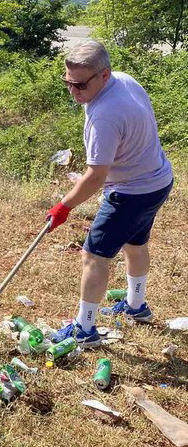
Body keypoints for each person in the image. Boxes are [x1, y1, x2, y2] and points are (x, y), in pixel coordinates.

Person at [46, 40, 173, 346]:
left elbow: (95, 177)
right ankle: (136, 306)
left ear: (104, 75)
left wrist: (64, 206)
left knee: (93, 255)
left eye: (80, 85)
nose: (74, 92)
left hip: (132, 192)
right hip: (158, 180)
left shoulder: (105, 115)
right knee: (135, 243)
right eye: (68, 83)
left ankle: (84, 329)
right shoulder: (123, 81)